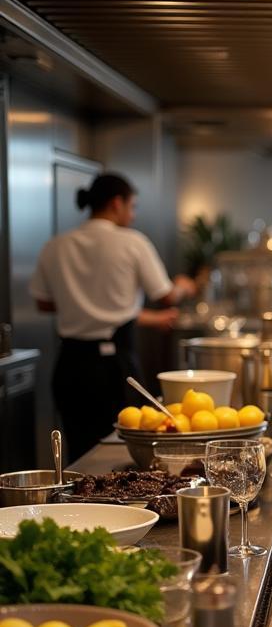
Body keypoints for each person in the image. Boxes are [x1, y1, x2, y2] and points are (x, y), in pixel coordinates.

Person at [29, 172, 195, 461]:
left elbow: (43, 304)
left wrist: (79, 304)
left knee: (81, 454)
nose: (132, 215)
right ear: (117, 203)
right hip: (116, 367)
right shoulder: (131, 242)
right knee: (126, 451)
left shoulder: (55, 245)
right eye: (133, 207)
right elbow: (165, 295)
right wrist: (184, 285)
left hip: (70, 364)